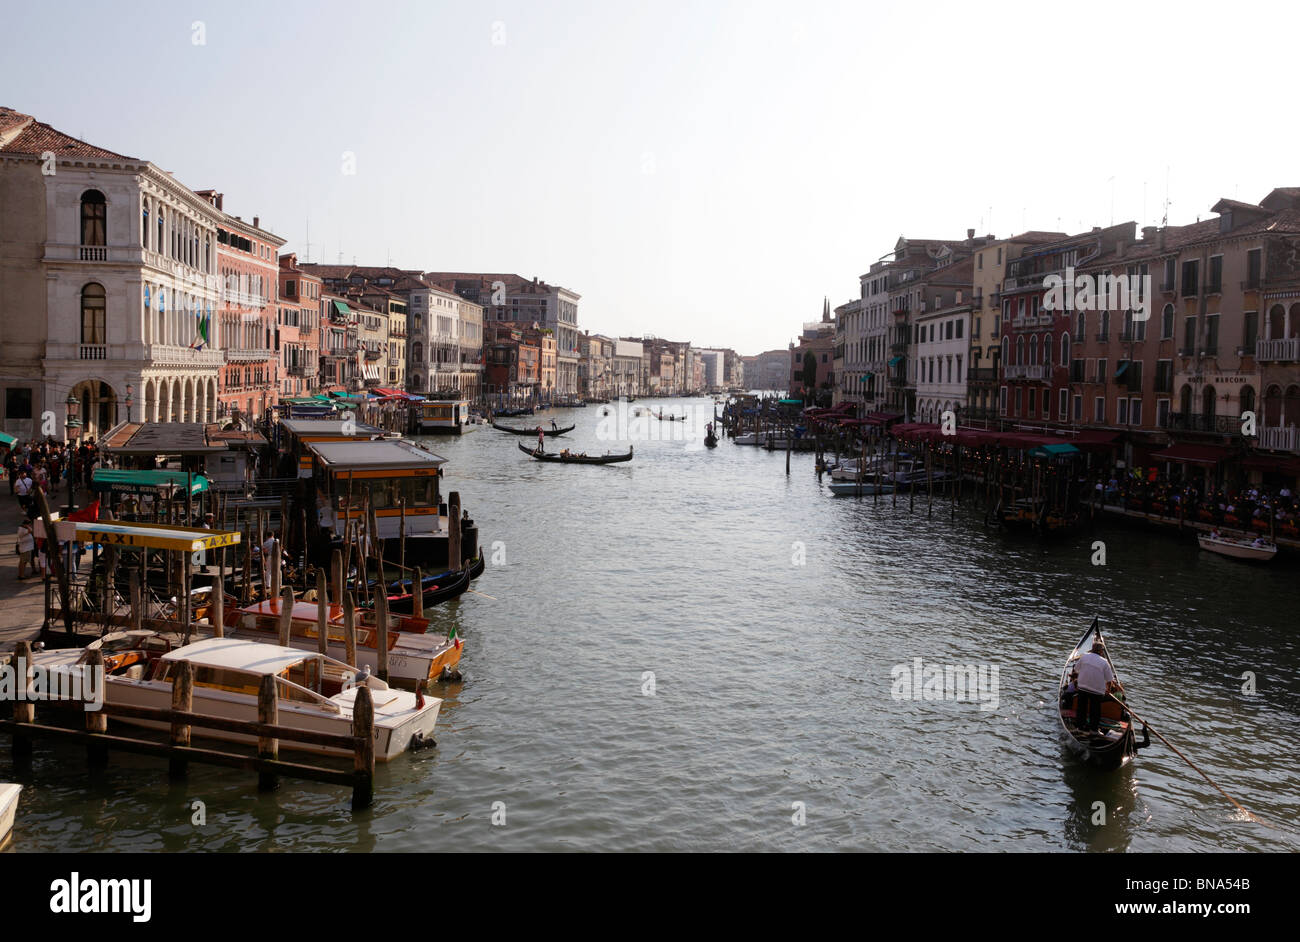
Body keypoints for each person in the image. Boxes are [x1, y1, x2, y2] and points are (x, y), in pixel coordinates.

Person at [1073, 640, 1115, 733]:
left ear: (1092, 649)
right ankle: (1094, 730)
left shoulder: (1084, 657)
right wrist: (1108, 690)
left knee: (1081, 709)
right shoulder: (1104, 662)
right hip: (1097, 691)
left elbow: (1076, 669)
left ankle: (1080, 727)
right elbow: (1109, 680)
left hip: (1082, 687)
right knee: (1095, 711)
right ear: (1101, 652)